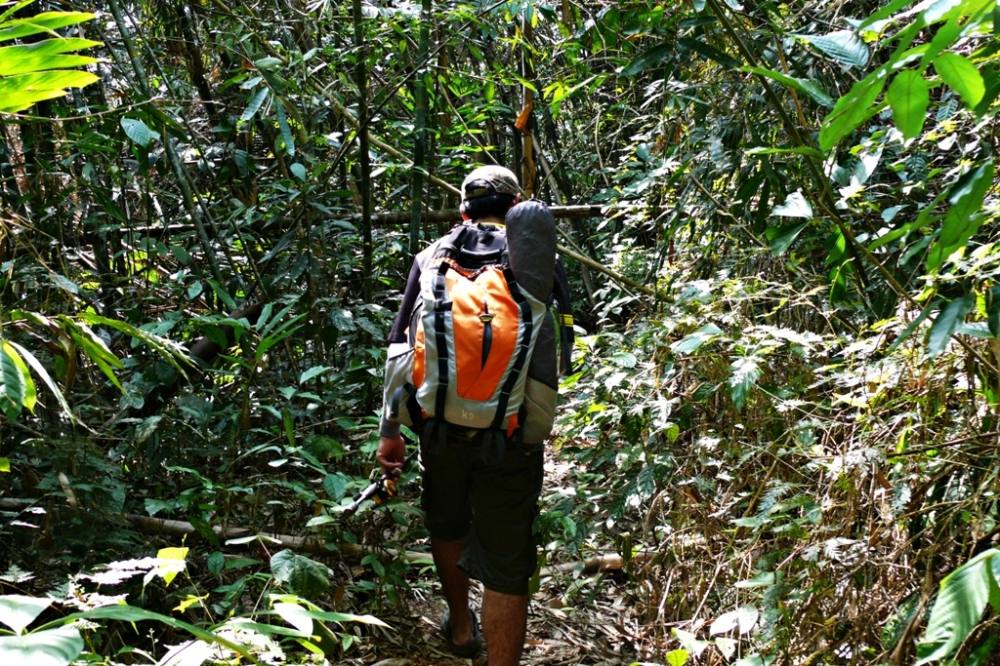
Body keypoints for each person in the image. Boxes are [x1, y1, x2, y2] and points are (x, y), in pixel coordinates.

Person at [375, 165, 572, 665]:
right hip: (511, 436)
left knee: (448, 520)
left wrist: (390, 432)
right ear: (515, 206)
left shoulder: (431, 257)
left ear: (464, 207)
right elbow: (560, 349)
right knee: (507, 560)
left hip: (437, 428)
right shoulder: (533, 259)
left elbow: (400, 351)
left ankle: (462, 627)